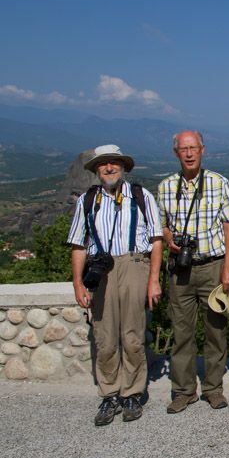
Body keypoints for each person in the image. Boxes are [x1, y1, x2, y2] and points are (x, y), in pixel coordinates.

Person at [68, 145, 162, 426]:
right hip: (101, 269)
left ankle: (132, 392)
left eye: (114, 164)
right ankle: (109, 394)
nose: (109, 168)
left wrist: (154, 280)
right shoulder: (87, 200)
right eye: (104, 164)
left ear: (123, 167)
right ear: (97, 169)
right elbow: (78, 244)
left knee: (132, 334)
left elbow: (156, 239)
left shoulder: (140, 196)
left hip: (134, 264)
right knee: (105, 336)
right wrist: (77, 283)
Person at [158, 130, 229, 413]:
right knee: (182, 333)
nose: (189, 153)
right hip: (181, 270)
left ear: (202, 150)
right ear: (176, 153)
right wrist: (169, 240)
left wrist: (228, 269)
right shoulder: (166, 187)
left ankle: (214, 389)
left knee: (216, 332)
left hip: (213, 265)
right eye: (183, 149)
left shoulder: (218, 183)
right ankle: (183, 391)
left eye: (193, 148)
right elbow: (162, 224)